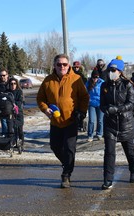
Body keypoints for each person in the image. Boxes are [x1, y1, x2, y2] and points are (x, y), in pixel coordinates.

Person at [37, 54, 89, 188]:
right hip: (55, 121)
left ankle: (66, 175)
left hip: (71, 121)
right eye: (59, 64)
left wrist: (82, 112)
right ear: (54, 65)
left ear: (69, 65)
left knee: (69, 149)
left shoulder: (76, 79)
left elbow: (84, 97)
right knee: (55, 146)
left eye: (64, 64)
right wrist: (45, 109)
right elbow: (40, 98)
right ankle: (67, 163)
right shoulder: (48, 81)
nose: (62, 67)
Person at [100, 58, 134, 190]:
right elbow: (102, 104)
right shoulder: (104, 86)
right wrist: (106, 109)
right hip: (110, 125)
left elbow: (131, 104)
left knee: (130, 151)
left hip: (125, 124)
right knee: (109, 152)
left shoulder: (127, 85)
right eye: (110, 70)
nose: (111, 72)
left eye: (114, 70)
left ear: (120, 71)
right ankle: (107, 179)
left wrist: (117, 109)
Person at [85, 70, 104, 142]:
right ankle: (90, 135)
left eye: (97, 77)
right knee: (91, 120)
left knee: (100, 120)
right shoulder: (88, 83)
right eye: (94, 77)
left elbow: (105, 92)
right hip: (91, 104)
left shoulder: (102, 82)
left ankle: (99, 134)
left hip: (100, 103)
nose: (95, 79)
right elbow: (85, 93)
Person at [9, 77, 24, 148]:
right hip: (10, 112)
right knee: (14, 128)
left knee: (20, 129)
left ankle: (21, 143)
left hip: (19, 112)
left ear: (16, 84)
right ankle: (14, 142)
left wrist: (13, 103)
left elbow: (20, 102)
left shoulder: (19, 92)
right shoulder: (8, 92)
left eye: (14, 84)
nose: (13, 85)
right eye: (11, 84)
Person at [72, 61, 88, 131]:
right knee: (75, 110)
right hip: (73, 93)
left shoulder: (82, 74)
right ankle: (76, 124)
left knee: (82, 109)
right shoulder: (71, 73)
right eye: (75, 67)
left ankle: (82, 124)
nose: (76, 68)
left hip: (81, 92)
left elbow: (86, 81)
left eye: (77, 67)